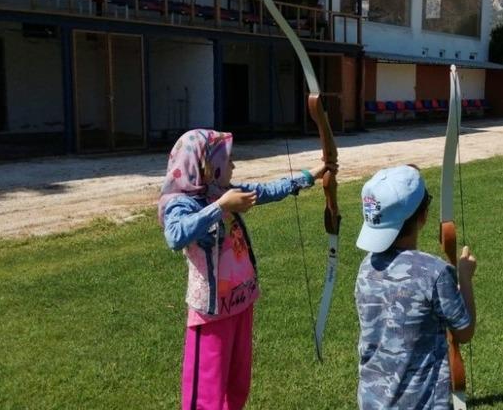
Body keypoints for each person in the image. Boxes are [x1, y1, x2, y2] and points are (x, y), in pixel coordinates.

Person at [157, 129, 334, 410]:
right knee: (206, 393)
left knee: (237, 384)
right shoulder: (184, 202)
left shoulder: (222, 191)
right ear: (208, 166)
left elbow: (267, 190)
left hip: (241, 302)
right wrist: (219, 207)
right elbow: (175, 235)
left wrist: (311, 174)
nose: (233, 165)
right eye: (228, 160)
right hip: (212, 314)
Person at [354, 165, 477, 409]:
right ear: (423, 215)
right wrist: (464, 277)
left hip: (372, 400)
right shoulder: (434, 273)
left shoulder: (367, 266)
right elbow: (464, 332)